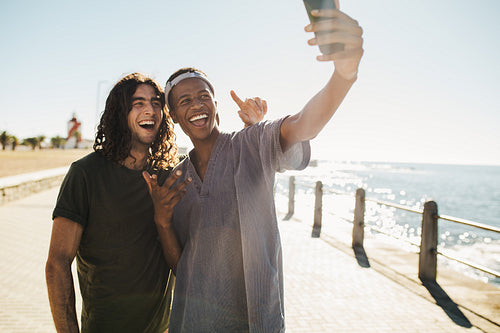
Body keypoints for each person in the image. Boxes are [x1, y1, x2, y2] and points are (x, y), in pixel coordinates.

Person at [143, 6, 364, 333]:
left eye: (204, 96)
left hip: (256, 321)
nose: (197, 105)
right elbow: (181, 266)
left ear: (216, 105)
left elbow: (304, 125)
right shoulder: (176, 181)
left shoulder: (252, 143)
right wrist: (162, 221)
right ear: (173, 114)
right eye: (185, 101)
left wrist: (345, 74)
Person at [45, 72, 265, 333]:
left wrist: (254, 131)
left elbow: (190, 257)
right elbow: (57, 263)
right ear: (119, 113)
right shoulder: (86, 174)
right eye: (138, 103)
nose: (150, 110)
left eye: (156, 103)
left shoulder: (170, 178)